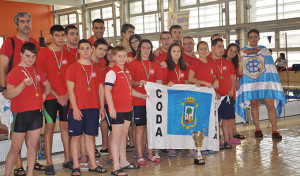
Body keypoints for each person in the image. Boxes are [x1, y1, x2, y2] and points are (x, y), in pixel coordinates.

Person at [0, 11, 46, 176]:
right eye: (23, 21)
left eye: (29, 21)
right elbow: (3, 67)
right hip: (13, 92)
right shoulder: (10, 41)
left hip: (32, 101)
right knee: (16, 143)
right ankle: (17, 167)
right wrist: (3, 89)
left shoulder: (34, 42)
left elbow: (37, 70)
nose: (26, 24)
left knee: (32, 142)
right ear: (17, 24)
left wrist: (43, 95)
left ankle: (29, 170)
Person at [5, 43, 51, 176]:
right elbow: (10, 93)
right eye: (27, 56)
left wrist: (43, 95)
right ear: (21, 54)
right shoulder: (14, 72)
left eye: (33, 56)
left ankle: (30, 173)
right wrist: (23, 85)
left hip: (36, 113)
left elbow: (47, 85)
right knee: (15, 148)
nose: (31, 59)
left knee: (32, 146)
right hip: (20, 114)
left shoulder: (38, 71)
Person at [36, 25, 75, 175]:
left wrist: (65, 94)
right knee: (50, 128)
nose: (60, 38)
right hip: (50, 98)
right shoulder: (43, 53)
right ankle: (49, 163)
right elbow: (43, 78)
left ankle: (67, 159)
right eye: (57, 36)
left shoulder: (68, 54)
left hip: (65, 96)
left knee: (65, 127)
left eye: (62, 36)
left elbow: (71, 77)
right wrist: (57, 95)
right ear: (51, 36)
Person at [66, 39, 107, 176]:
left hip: (93, 108)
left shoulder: (96, 68)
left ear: (92, 49)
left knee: (90, 136)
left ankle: (93, 165)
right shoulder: (72, 68)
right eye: (82, 48)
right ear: (78, 50)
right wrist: (75, 108)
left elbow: (101, 89)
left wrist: (101, 107)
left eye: (87, 48)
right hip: (77, 108)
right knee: (76, 137)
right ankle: (76, 166)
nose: (85, 51)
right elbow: (70, 90)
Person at [105, 46, 147, 175]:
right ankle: (116, 166)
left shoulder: (127, 72)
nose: (122, 58)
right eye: (119, 56)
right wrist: (111, 108)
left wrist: (142, 96)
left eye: (124, 56)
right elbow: (107, 91)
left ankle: (123, 161)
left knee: (124, 136)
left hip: (128, 108)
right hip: (117, 110)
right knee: (116, 138)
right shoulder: (112, 72)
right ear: (113, 57)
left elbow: (129, 90)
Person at [239, 29, 286, 139]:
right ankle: (258, 129)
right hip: (251, 83)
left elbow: (270, 68)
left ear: (259, 38)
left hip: (265, 83)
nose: (253, 39)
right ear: (248, 39)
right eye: (251, 37)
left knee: (270, 105)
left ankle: (275, 130)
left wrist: (272, 82)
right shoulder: (243, 51)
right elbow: (241, 67)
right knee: (254, 105)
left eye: (255, 37)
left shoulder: (264, 50)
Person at [128, 39, 163, 166]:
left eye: (149, 48)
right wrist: (139, 83)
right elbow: (129, 82)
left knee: (151, 127)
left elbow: (159, 82)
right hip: (138, 100)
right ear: (139, 49)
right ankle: (140, 155)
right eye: (144, 48)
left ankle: (150, 154)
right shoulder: (133, 64)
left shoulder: (155, 64)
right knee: (140, 127)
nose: (146, 50)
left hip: (152, 101)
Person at [188, 41, 218, 153]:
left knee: (208, 120)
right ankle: (198, 146)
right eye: (201, 49)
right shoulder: (194, 63)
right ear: (197, 51)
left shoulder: (211, 62)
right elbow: (190, 78)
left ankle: (207, 144)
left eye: (205, 48)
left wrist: (216, 81)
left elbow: (214, 77)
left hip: (209, 97)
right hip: (198, 96)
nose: (204, 51)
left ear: (209, 50)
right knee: (198, 121)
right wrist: (204, 82)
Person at [210, 38, 235, 150]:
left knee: (226, 119)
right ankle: (217, 140)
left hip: (227, 96)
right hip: (215, 97)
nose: (222, 49)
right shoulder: (207, 61)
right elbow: (207, 79)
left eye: (222, 46)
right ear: (213, 48)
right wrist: (215, 92)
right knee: (216, 120)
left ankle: (226, 140)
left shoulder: (227, 62)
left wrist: (231, 89)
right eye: (219, 46)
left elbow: (232, 78)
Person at [223, 43, 244, 143]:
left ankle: (230, 136)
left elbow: (239, 73)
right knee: (223, 118)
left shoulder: (233, 63)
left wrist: (240, 61)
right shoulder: (221, 61)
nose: (232, 53)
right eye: (230, 50)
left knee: (230, 116)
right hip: (223, 91)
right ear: (226, 50)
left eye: (235, 52)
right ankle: (225, 137)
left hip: (231, 91)